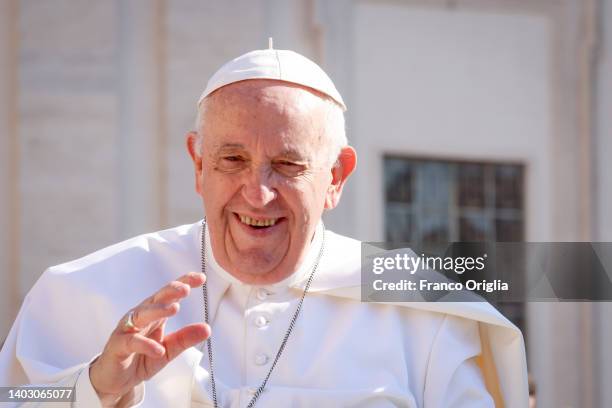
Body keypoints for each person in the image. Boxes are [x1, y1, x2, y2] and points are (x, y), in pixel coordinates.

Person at [0, 44, 528, 407]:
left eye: (289, 165)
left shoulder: (423, 316)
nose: (258, 193)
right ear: (198, 164)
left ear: (336, 177)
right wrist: (95, 388)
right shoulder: (84, 289)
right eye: (232, 160)